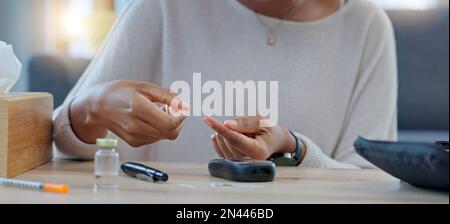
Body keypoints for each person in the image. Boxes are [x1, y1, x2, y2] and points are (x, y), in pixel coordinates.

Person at [53, 0, 398, 168]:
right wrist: (93, 108)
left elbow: (372, 181)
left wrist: (294, 149)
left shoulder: (366, 28)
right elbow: (54, 142)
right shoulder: (163, 8)